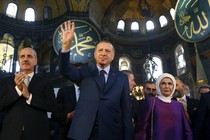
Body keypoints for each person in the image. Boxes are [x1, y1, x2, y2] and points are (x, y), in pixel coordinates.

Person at [59, 20, 133, 140]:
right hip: (84, 133)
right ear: (94, 54)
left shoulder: (122, 78)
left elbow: (126, 111)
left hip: (112, 133)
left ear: (113, 56)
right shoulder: (84, 72)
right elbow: (65, 70)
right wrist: (66, 46)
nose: (103, 53)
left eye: (107, 51)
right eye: (100, 50)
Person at [0, 47, 58, 140]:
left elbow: (52, 106)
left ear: (36, 61)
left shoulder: (45, 82)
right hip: (11, 133)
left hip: (37, 133)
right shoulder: (6, 81)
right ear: (19, 61)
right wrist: (17, 90)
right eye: (22, 56)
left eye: (29, 56)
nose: (25, 59)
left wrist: (29, 97)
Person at [134, 73, 192, 140]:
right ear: (158, 86)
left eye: (170, 84)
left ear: (173, 87)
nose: (167, 86)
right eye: (163, 83)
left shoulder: (179, 105)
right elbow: (142, 128)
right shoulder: (151, 102)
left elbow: (187, 129)